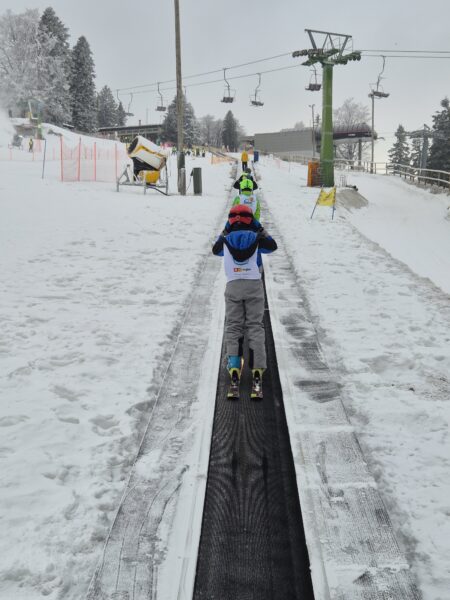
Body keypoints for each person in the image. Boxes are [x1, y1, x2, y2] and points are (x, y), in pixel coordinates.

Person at [212, 204, 277, 399]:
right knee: (255, 326)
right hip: (254, 285)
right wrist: (259, 227)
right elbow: (272, 246)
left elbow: (216, 250)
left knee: (234, 326)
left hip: (233, 286)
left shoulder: (226, 238)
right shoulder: (256, 237)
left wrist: (226, 229)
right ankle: (257, 371)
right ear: (251, 220)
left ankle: (234, 368)